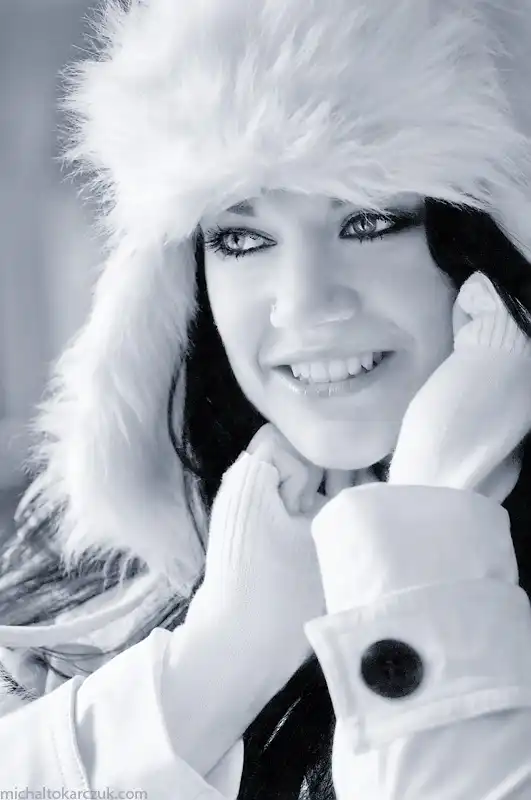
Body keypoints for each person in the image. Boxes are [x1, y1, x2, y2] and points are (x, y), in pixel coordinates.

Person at [0, 0, 531, 796]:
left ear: (490, 239)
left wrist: (426, 532)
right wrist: (218, 660)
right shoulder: (84, 577)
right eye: (241, 238)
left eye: (369, 221)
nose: (303, 306)